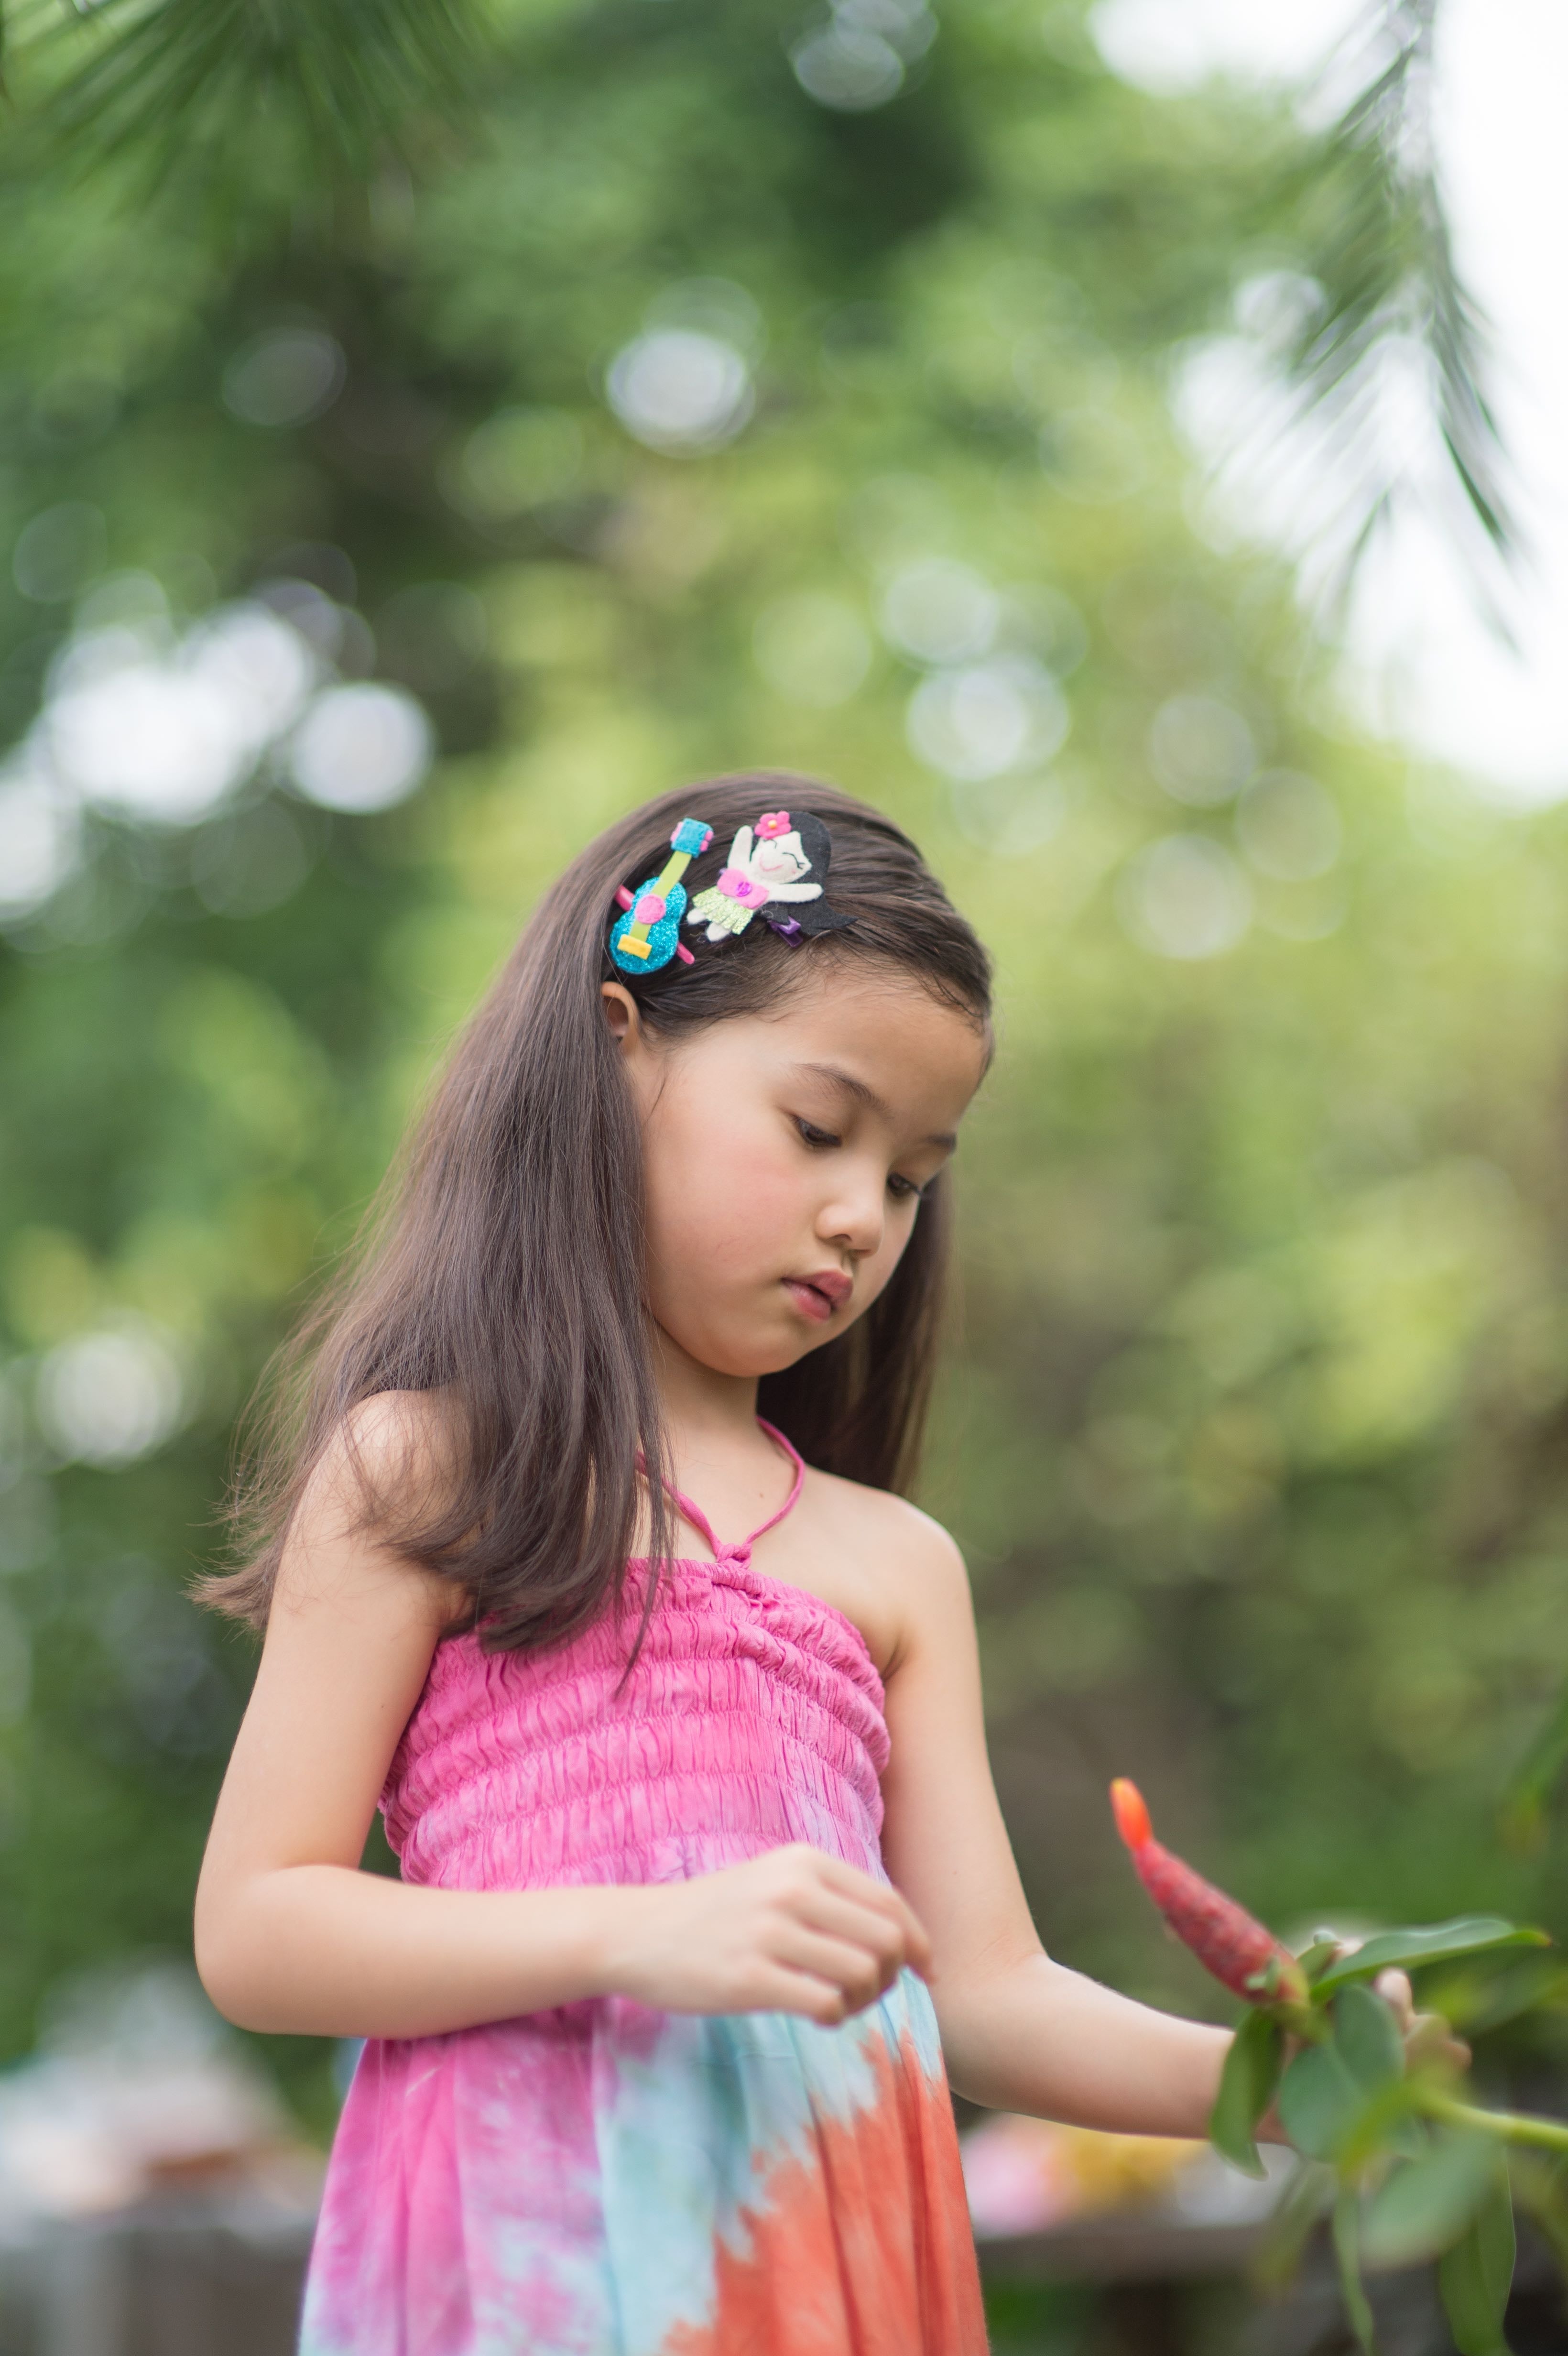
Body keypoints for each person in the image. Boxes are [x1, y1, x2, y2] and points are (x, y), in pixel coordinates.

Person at [192, 775, 1396, 2354]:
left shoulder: (893, 1563)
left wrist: (1284, 2087)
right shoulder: (430, 1469)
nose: (861, 1219)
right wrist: (635, 1933)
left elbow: (987, 1996)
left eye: (908, 1176)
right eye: (820, 1129)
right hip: (525, 2249)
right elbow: (259, 1929)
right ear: (621, 1051)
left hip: (826, 2254)